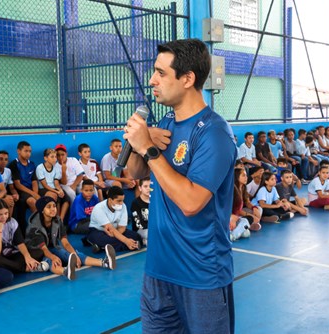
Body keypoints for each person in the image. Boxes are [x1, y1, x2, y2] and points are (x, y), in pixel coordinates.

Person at [124, 39, 236, 333]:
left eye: (161, 73)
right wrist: (139, 144)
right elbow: (135, 173)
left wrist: (150, 150)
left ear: (188, 79)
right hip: (159, 271)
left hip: (200, 275)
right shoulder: (167, 121)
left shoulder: (214, 133)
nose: (152, 80)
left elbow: (191, 202)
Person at [25, 196, 116, 281]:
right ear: (42, 210)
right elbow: (43, 249)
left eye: (54, 206)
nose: (53, 209)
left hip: (52, 247)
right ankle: (65, 272)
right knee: (50, 261)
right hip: (37, 252)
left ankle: (104, 263)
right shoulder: (34, 227)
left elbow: (65, 242)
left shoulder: (57, 220)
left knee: (70, 254)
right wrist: (53, 257)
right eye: (49, 207)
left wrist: (74, 254)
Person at [0, 199, 48, 273]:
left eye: (6, 213)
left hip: (13, 254)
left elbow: (20, 243)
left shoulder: (12, 222)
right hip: (0, 257)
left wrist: (28, 257)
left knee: (39, 252)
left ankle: (16, 267)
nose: (4, 217)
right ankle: (25, 268)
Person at [86, 186, 142, 252]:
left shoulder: (123, 206)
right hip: (99, 230)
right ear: (110, 200)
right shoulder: (99, 208)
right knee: (105, 239)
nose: (121, 203)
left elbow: (122, 227)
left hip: (115, 231)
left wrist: (116, 235)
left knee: (136, 236)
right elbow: (110, 228)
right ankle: (129, 245)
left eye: (122, 200)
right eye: (119, 201)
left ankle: (102, 247)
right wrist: (126, 240)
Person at [8, 141, 40, 233]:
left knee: (47, 199)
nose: (28, 153)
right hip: (21, 191)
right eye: (26, 151)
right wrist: (34, 194)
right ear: (18, 151)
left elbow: (34, 181)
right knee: (32, 201)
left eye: (30, 151)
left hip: (31, 191)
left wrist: (36, 193)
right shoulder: (13, 165)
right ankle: (36, 228)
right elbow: (17, 184)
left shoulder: (32, 164)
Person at [36, 148, 69, 221]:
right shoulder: (40, 168)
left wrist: (60, 190)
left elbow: (56, 183)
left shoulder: (56, 168)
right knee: (54, 196)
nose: (55, 159)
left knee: (66, 198)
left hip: (54, 188)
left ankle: (60, 220)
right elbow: (45, 185)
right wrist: (56, 192)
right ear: (45, 158)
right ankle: (54, 219)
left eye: (55, 157)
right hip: (43, 189)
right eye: (52, 157)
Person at [0, 150, 19, 217]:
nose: (3, 161)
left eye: (6, 159)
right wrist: (4, 197)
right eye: (1, 159)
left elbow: (12, 187)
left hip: (4, 193)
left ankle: (9, 221)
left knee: (11, 200)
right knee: (9, 200)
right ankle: (6, 222)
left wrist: (15, 194)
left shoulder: (8, 171)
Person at [131, 178, 151, 246]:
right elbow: (138, 224)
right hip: (142, 230)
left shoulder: (155, 201)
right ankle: (144, 240)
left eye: (150, 186)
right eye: (145, 186)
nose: (148, 188)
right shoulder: (135, 203)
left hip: (154, 228)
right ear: (140, 188)